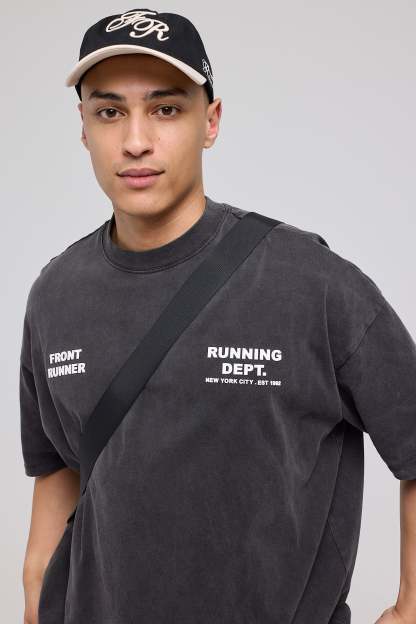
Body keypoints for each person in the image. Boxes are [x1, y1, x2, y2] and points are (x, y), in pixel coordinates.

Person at [19, 8, 416, 624]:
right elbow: (57, 470)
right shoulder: (55, 293)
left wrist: (410, 607)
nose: (135, 141)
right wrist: (35, 598)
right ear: (84, 128)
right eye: (110, 112)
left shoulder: (310, 283)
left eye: (166, 109)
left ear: (211, 121)